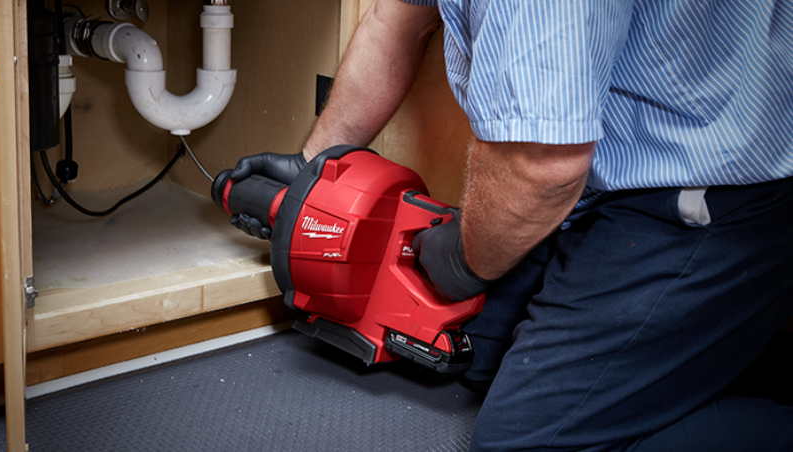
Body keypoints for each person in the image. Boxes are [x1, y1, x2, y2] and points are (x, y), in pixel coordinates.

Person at [229, 0, 793, 450]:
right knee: (469, 345)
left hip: (707, 201)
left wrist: (463, 261)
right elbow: (395, 16)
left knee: (528, 443)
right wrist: (318, 169)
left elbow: (542, 167)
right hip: (598, 192)